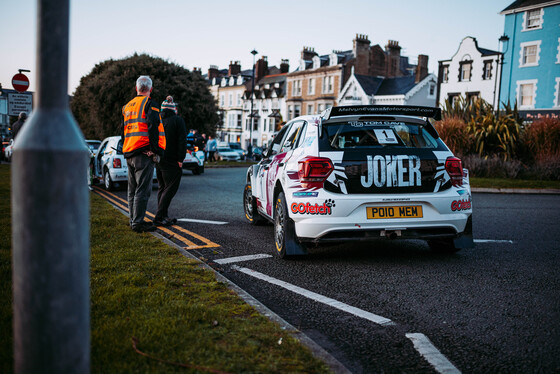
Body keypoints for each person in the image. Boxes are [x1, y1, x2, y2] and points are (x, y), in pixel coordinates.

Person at [122, 75, 166, 233]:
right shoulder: (150, 104)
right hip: (143, 153)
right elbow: (153, 126)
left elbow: (124, 131)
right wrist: (154, 150)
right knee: (142, 190)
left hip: (130, 151)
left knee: (132, 190)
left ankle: (133, 219)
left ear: (136, 88)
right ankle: (138, 223)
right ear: (150, 89)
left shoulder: (127, 106)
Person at [153, 96, 186, 226]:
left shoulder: (158, 120)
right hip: (172, 159)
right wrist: (180, 159)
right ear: (174, 110)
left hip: (159, 158)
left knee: (162, 187)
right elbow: (182, 141)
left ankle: (163, 215)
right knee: (171, 188)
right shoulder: (178, 121)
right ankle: (158, 216)